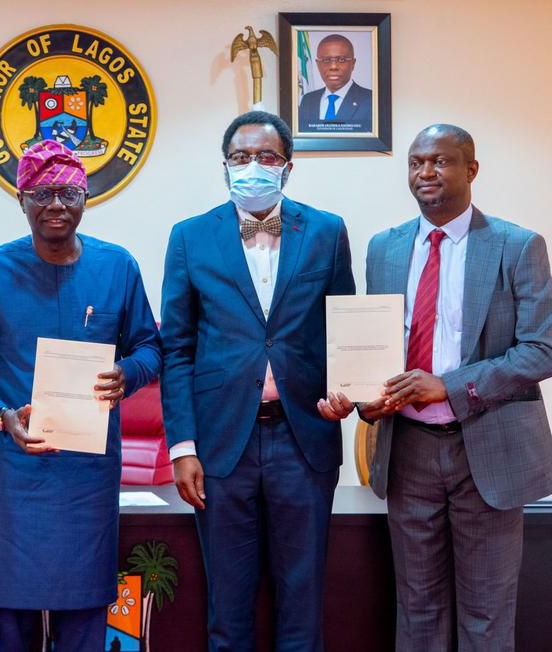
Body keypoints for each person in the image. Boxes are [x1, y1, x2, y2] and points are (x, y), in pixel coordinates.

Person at [321, 124, 552, 650]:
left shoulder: (518, 246)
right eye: (416, 162)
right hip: (409, 452)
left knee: (486, 616)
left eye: (441, 161)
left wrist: (448, 387)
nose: (426, 172)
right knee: (417, 609)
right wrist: (362, 397)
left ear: (471, 170)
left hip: (489, 449)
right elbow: (376, 347)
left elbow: (542, 349)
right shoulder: (384, 248)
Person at [0, 140, 161, 651]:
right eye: (41, 193)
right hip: (13, 474)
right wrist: (0, 415)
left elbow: (151, 347)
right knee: (10, 623)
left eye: (67, 191)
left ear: (86, 196)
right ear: (21, 199)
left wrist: (126, 374)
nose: (56, 204)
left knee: (85, 618)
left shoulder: (117, 267)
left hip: (87, 477)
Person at [161, 111, 355, 651]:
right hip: (223, 446)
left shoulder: (326, 231)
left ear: (288, 167)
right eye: (241, 157)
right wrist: (182, 446)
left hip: (305, 439)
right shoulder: (190, 237)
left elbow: (344, 329)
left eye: (266, 157)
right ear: (225, 167)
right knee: (228, 607)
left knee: (302, 604)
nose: (253, 167)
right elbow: (176, 350)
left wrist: (349, 392)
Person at [297, 34, 373, 132]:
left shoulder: (371, 100)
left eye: (341, 60)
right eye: (326, 60)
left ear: (353, 64)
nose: (333, 66)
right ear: (318, 64)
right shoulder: (308, 100)